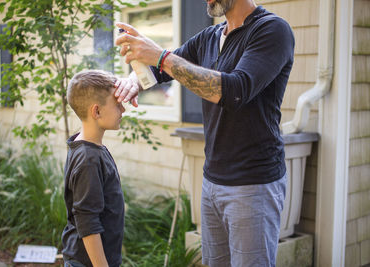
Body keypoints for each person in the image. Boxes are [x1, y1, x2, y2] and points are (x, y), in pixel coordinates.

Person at [115, 0, 295, 266]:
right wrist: (132, 80)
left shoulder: (271, 30)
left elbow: (234, 91)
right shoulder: (210, 37)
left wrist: (161, 56)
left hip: (253, 184)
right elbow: (162, 70)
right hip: (212, 182)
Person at [61, 70, 126, 267]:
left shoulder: (90, 148)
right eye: (117, 104)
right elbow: (88, 223)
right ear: (96, 111)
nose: (123, 109)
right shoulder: (88, 159)